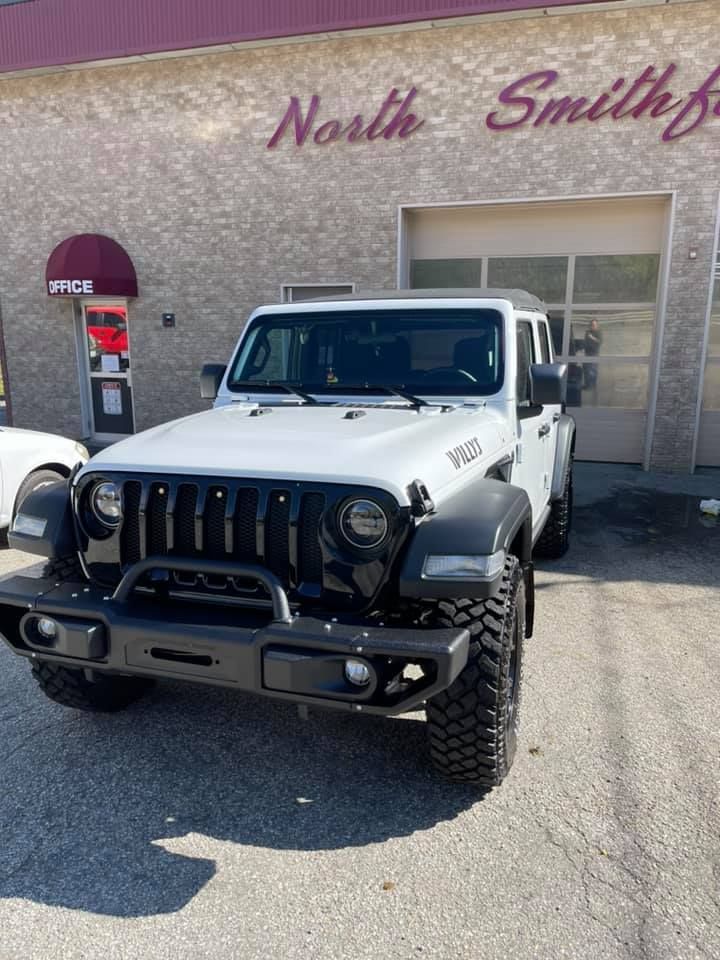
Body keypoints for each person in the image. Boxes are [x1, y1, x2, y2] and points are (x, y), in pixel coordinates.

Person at [583, 318, 602, 389]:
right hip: (587, 353)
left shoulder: (599, 333)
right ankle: (587, 385)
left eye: (594, 325)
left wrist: (592, 337)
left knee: (593, 370)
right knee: (586, 369)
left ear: (597, 325)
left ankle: (593, 385)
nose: (592, 326)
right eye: (591, 325)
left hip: (594, 353)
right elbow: (585, 341)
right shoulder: (587, 332)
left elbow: (600, 342)